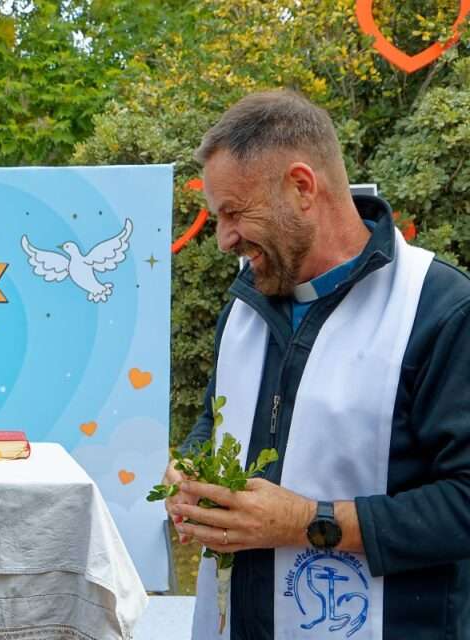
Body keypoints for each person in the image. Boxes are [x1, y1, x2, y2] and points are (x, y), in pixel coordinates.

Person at [165, 89, 470, 639]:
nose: (223, 238)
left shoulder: (441, 309)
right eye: (217, 217)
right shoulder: (244, 303)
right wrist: (190, 467)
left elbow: (464, 502)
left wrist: (311, 524)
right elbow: (217, 416)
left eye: (234, 212)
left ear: (302, 188)